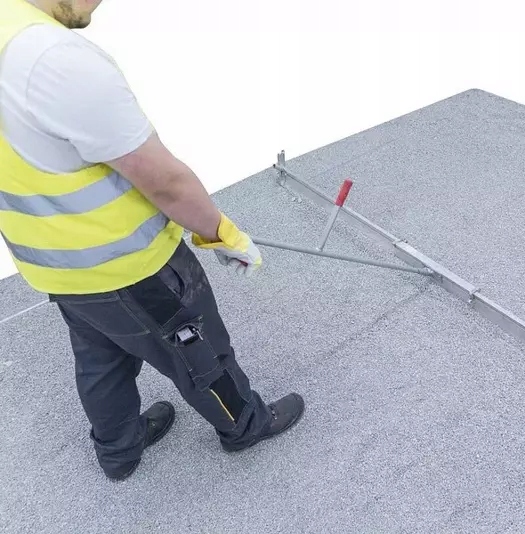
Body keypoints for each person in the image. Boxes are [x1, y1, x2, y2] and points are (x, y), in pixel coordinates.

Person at [0, 0, 305, 481]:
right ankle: (245, 424)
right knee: (199, 350)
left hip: (54, 267)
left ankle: (118, 451)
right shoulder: (57, 59)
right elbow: (165, 182)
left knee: (101, 357)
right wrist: (220, 234)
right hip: (131, 267)